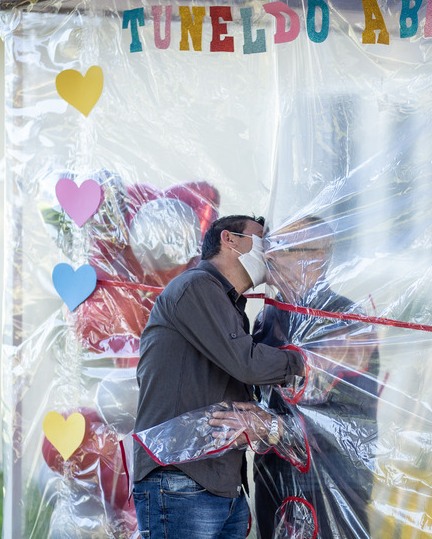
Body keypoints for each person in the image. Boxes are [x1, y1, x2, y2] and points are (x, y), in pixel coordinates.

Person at [131, 214, 306, 539]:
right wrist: (306, 361)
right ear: (230, 239)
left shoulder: (230, 305)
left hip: (221, 483)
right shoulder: (197, 287)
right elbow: (248, 364)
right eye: (263, 238)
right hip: (181, 478)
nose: (272, 250)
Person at [248, 216, 380, 539]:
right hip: (272, 479)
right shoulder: (267, 319)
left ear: (317, 258)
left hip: (327, 485)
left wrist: (277, 428)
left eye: (285, 249)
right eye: (271, 247)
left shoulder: (347, 324)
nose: (270, 256)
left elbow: (349, 424)